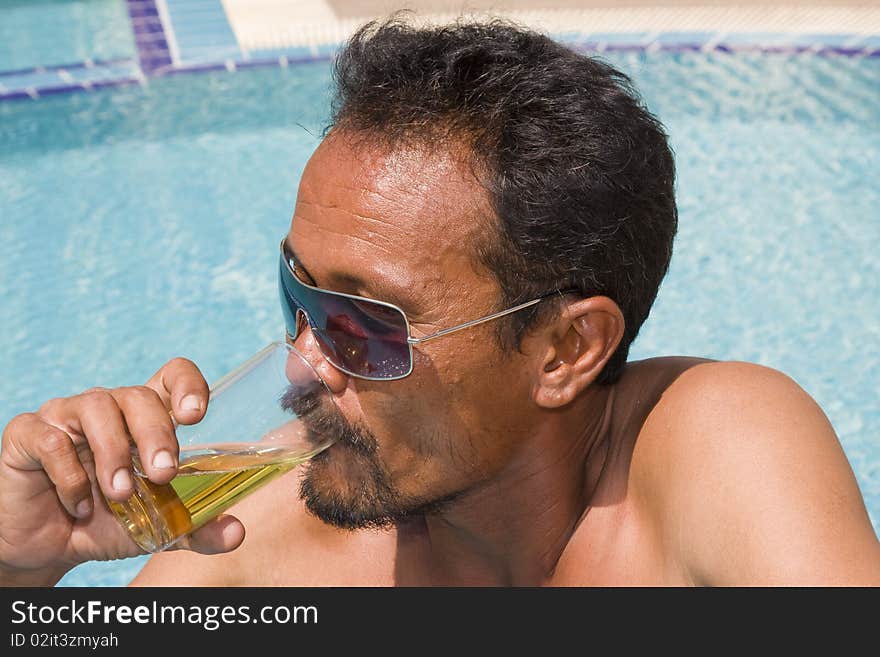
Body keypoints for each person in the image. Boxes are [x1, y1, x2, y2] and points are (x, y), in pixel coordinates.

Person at [2, 17, 879, 587]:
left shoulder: (713, 446)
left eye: (364, 325)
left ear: (566, 350)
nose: (303, 362)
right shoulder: (253, 558)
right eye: (296, 292)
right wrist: (19, 566)